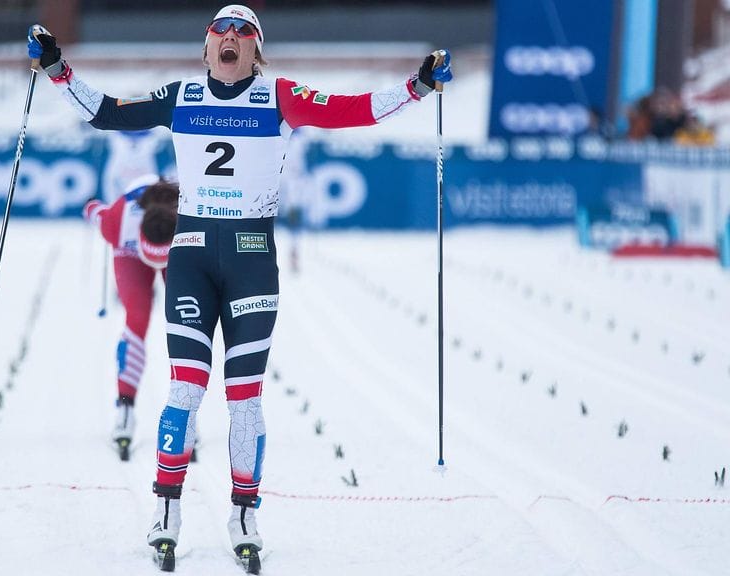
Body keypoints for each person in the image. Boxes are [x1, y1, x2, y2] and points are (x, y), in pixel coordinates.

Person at [28, 4, 452, 568]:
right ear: (205, 48)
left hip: (253, 259)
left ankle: (245, 514)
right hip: (192, 257)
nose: (230, 38)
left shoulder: (279, 96)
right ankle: (167, 512)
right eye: (219, 31)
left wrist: (419, 85)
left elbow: (355, 111)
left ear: (257, 49)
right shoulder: (181, 96)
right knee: (185, 390)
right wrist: (57, 67)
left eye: (243, 32)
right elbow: (106, 112)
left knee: (245, 398)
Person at [82, 175, 179, 461]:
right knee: (136, 318)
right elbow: (95, 212)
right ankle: (125, 408)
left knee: (184, 320)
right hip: (129, 254)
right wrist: (90, 205)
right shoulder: (116, 221)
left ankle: (185, 407)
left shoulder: (187, 214)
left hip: (178, 250)